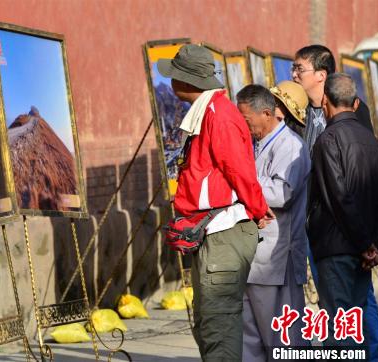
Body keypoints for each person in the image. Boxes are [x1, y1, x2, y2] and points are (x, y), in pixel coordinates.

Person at [157, 44, 270, 361]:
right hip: (215, 232)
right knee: (209, 323)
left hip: (224, 233)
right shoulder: (210, 112)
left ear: (187, 80)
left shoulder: (218, 116)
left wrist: (257, 209)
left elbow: (240, 172)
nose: (170, 82)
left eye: (174, 76)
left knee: (218, 325)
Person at [293, 45, 378, 361]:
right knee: (332, 302)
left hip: (344, 227)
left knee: (355, 304)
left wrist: (369, 242)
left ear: (321, 75)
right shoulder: (298, 111)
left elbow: (360, 180)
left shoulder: (351, 113)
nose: (295, 74)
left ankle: (372, 356)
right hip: (314, 221)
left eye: (299, 68)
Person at [307, 73, 378, 350]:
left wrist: (366, 244)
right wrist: (377, 245)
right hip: (363, 252)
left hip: (338, 249)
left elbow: (338, 198)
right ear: (355, 103)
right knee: (354, 327)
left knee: (339, 332)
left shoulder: (327, 140)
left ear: (325, 102)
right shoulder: (372, 142)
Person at [237, 85, 310, 361]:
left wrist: (242, 183)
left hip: (277, 259)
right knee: (250, 338)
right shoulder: (255, 144)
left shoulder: (291, 146)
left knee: (282, 341)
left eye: (246, 119)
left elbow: (282, 193)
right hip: (254, 256)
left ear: (267, 113)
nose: (244, 125)